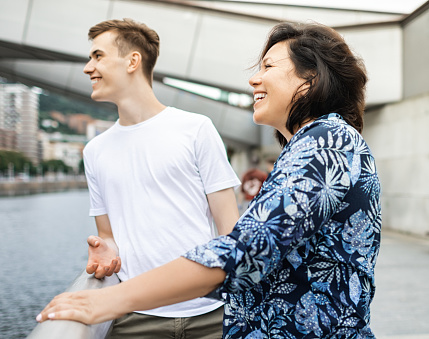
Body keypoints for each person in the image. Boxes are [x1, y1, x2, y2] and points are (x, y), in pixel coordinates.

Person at [37, 21, 382, 338]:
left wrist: (110, 300)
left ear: (310, 81)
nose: (253, 79)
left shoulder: (328, 141)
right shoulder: (311, 146)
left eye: (269, 66)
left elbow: (246, 246)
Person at [63, 18, 241, 338]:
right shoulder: (95, 151)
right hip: (135, 320)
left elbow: (231, 232)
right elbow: (108, 235)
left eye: (98, 56)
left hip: (212, 314)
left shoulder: (196, 129)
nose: (88, 67)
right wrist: (105, 250)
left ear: (133, 60)